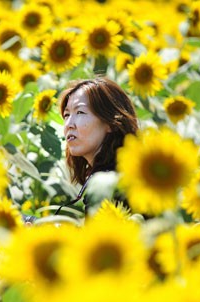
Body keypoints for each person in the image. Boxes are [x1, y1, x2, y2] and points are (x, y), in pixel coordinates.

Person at [55, 77, 139, 216]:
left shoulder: (110, 183)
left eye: (80, 112)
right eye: (66, 115)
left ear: (111, 123)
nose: (69, 124)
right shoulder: (109, 174)